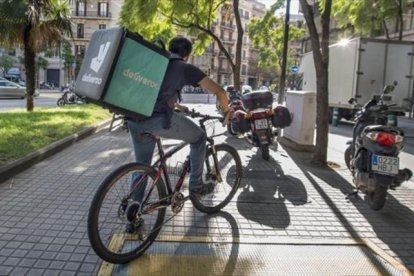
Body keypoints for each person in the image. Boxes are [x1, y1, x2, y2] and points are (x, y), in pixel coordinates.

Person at [126, 36, 233, 204]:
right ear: (188, 54)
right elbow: (220, 92)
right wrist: (227, 111)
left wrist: (180, 108)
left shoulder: (158, 63)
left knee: (142, 168)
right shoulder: (185, 68)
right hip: (158, 119)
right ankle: (196, 185)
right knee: (198, 138)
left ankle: (133, 210)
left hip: (134, 118)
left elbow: (159, 91)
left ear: (170, 49)